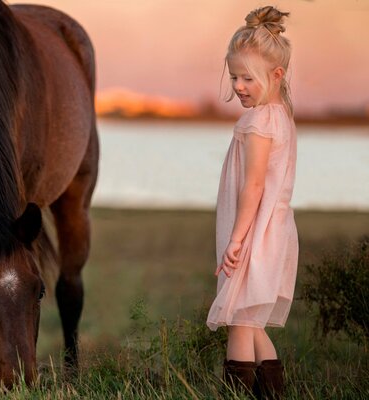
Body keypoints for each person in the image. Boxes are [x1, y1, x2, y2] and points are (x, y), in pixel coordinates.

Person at [206, 6, 298, 399]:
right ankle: (272, 393)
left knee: (241, 324)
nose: (239, 86)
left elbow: (254, 186)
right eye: (234, 77)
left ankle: (236, 393)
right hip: (271, 232)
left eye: (248, 78)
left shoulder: (259, 122)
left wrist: (237, 239)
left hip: (255, 235)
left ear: (277, 75)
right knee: (253, 323)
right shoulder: (279, 116)